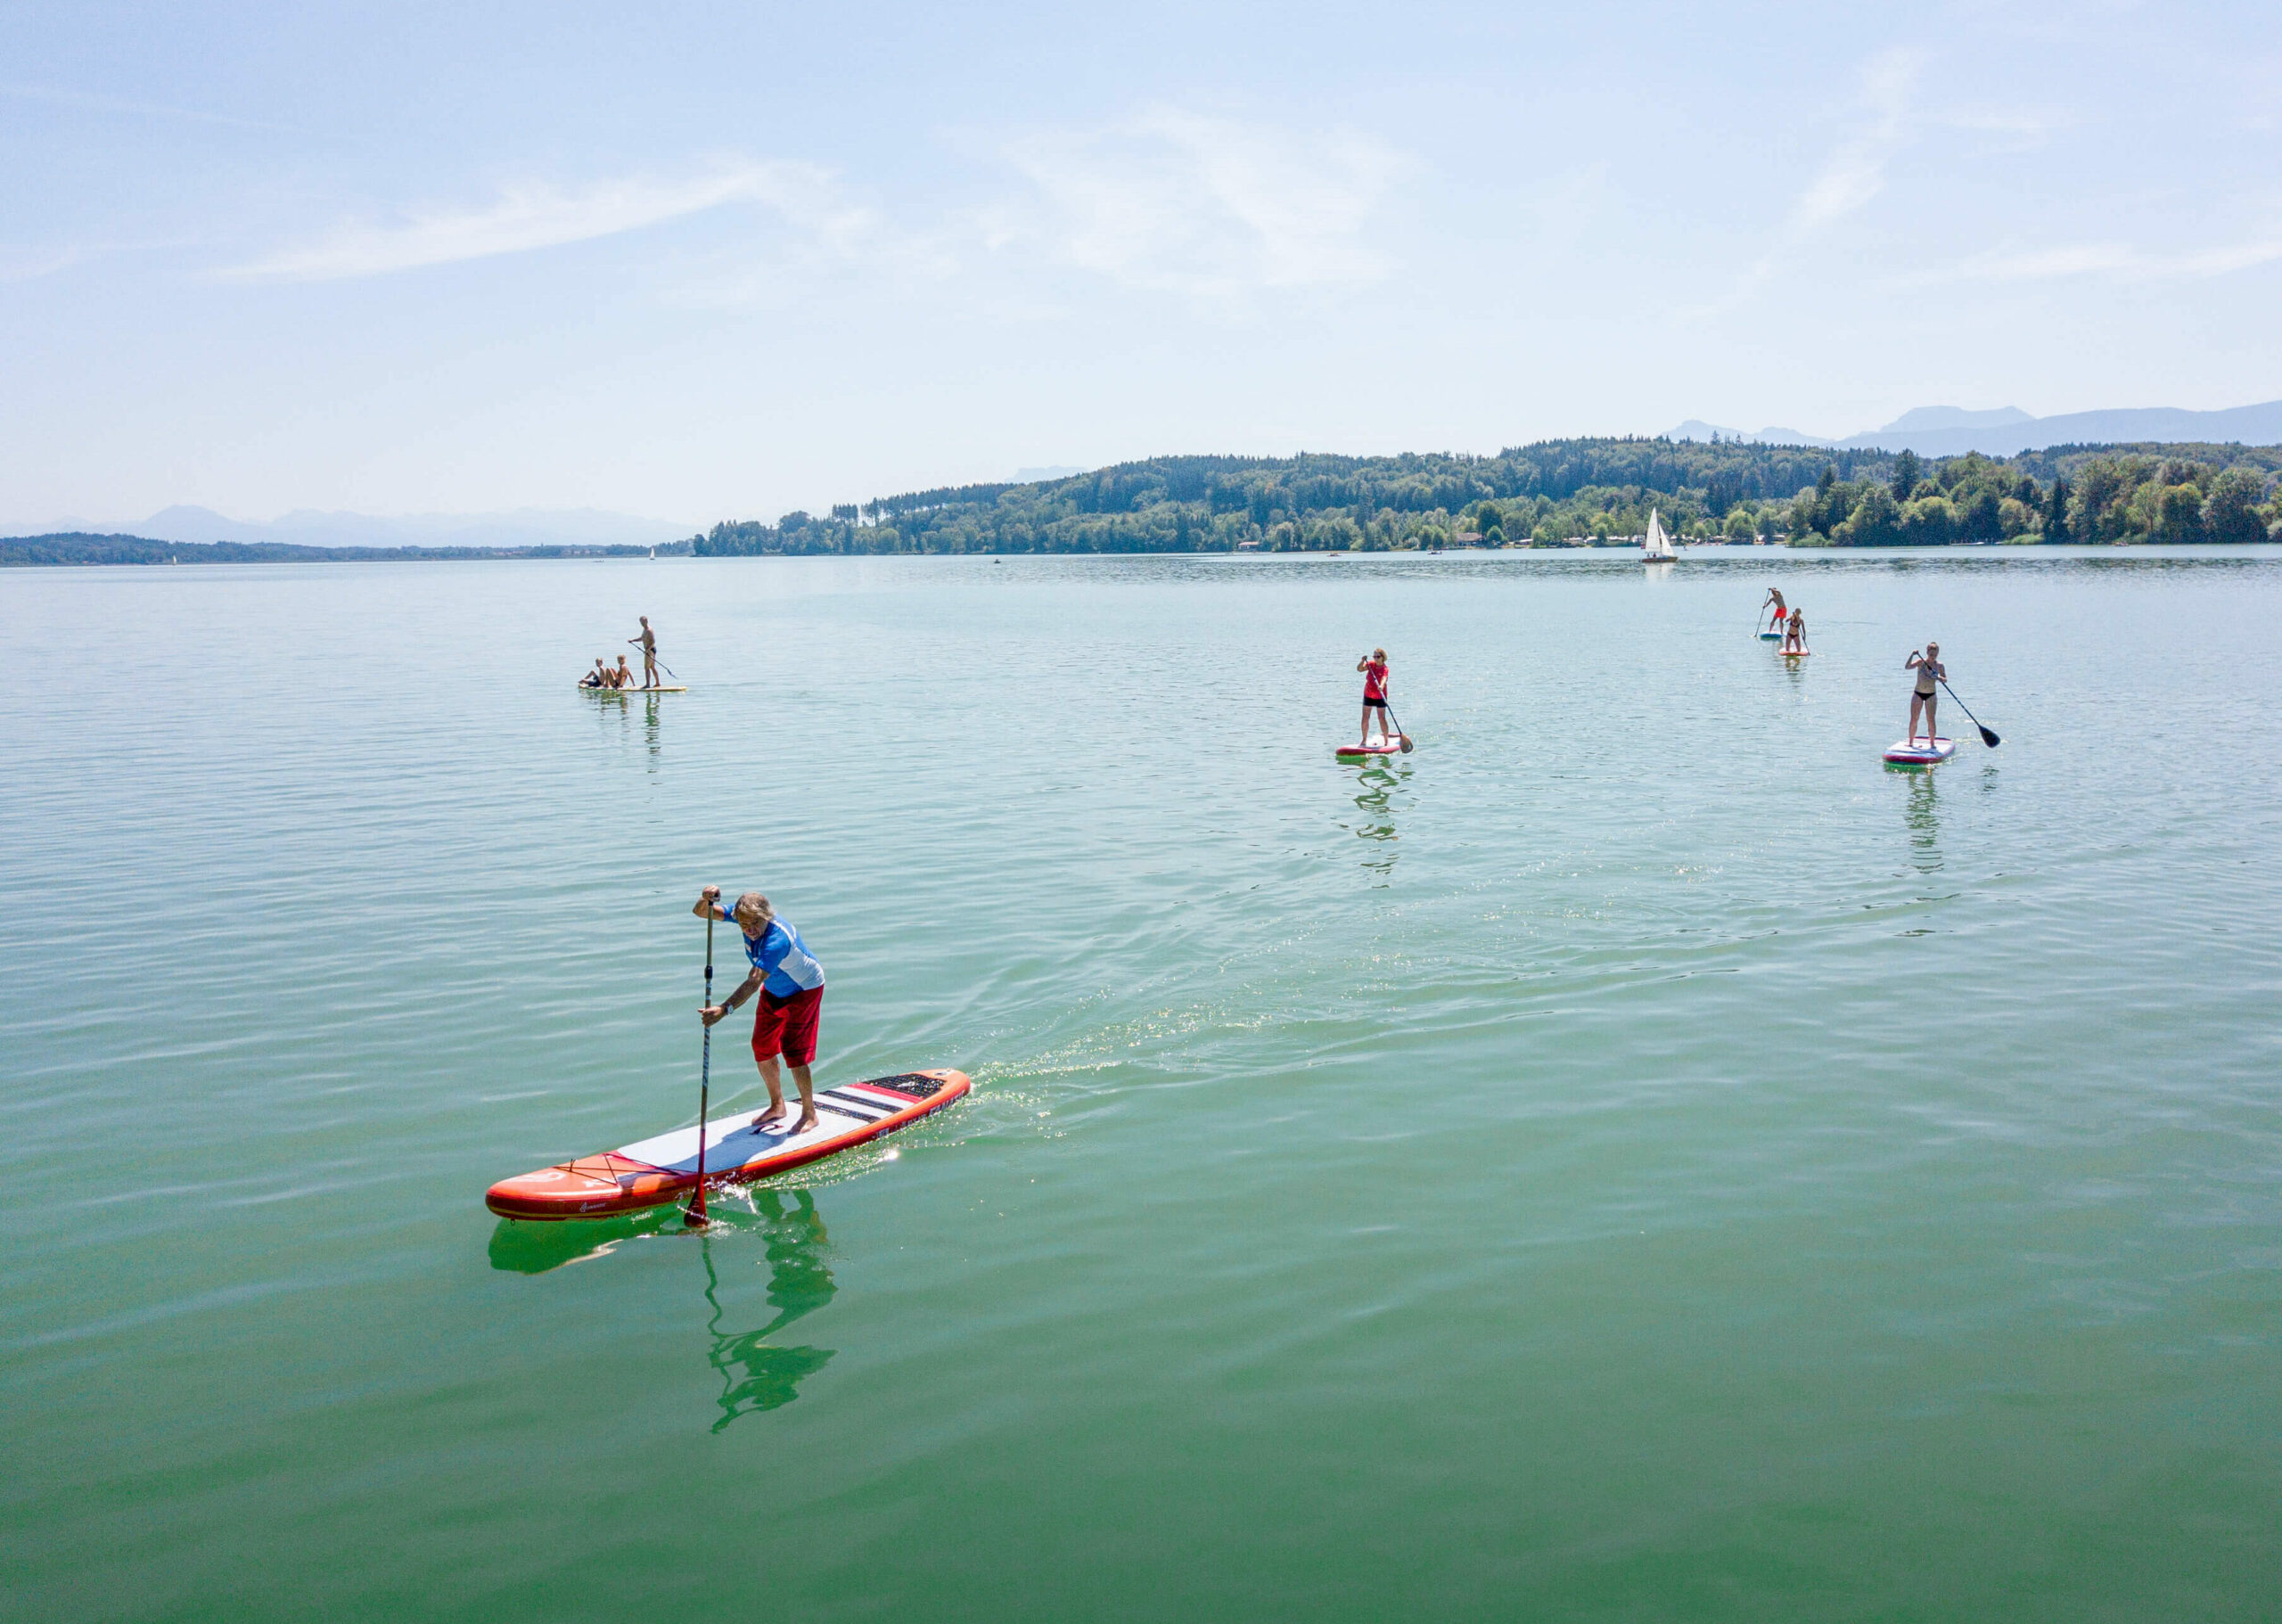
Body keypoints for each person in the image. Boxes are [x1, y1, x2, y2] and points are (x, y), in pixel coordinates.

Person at [694, 886, 826, 1135]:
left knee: (793, 1051)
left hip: (805, 989)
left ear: (766, 917)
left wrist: (724, 1010)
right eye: (744, 925)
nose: (750, 931)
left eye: (755, 924)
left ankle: (810, 1114)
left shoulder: (776, 940)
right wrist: (706, 900)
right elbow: (702, 913)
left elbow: (754, 981)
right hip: (775, 988)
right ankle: (778, 1106)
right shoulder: (742, 915)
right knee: (762, 1047)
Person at [1905, 642, 1945, 744]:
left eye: (1935, 655)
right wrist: (1912, 655)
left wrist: (1939, 677)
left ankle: (1932, 744)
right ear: (1927, 652)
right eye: (1931, 655)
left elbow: (1945, 679)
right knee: (1914, 719)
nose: (1933, 657)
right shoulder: (1920, 662)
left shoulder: (1939, 666)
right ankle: (1910, 742)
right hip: (1918, 693)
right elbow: (1907, 667)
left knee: (1931, 719)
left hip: (1931, 695)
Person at [1356, 648, 1395, 746]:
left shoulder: (1385, 669)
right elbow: (1359, 669)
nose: (1376, 659)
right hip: (1368, 694)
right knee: (1365, 717)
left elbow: (1384, 678)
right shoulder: (1371, 665)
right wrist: (1362, 661)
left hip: (1380, 696)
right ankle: (1364, 740)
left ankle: (1386, 741)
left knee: (1381, 718)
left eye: (1378, 657)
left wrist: (1381, 686)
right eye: (1374, 657)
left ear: (1383, 658)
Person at [629, 617, 661, 689]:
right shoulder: (644, 630)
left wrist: (647, 650)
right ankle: (658, 683)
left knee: (646, 668)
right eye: (641, 622)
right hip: (650, 650)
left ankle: (648, 684)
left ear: (646, 621)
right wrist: (633, 640)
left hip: (650, 650)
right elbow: (642, 638)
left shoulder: (649, 630)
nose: (642, 624)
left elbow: (653, 642)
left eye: (643, 622)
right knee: (652, 667)